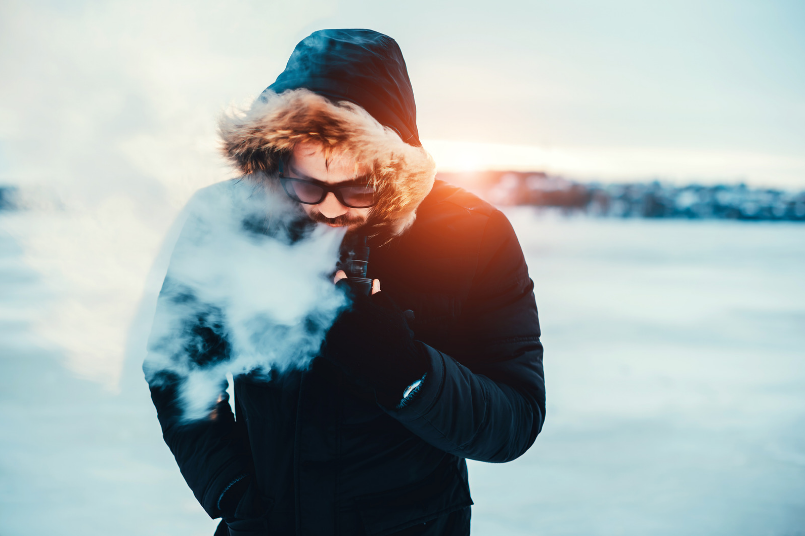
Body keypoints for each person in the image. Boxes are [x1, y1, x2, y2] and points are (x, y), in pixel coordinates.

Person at [145, 29, 545, 536]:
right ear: (278, 155)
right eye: (309, 183)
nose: (330, 207)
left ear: (392, 166)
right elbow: (178, 364)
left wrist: (406, 371)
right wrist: (230, 489)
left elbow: (516, 420)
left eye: (356, 187)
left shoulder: (471, 233)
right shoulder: (225, 217)